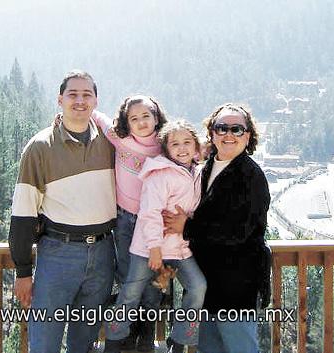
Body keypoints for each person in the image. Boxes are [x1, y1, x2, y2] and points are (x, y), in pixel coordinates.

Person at [8, 70, 117, 353]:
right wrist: (22, 270)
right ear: (60, 100)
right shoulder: (41, 147)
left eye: (86, 95)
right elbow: (23, 212)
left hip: (104, 252)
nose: (79, 101)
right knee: (45, 342)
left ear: (96, 101)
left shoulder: (111, 143)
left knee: (84, 343)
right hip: (58, 254)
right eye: (73, 94)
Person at [55, 94, 168, 351]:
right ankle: (125, 333)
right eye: (134, 118)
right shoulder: (120, 140)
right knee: (128, 274)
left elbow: (190, 152)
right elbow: (97, 115)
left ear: (157, 117)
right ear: (126, 121)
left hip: (154, 223)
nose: (141, 122)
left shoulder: (165, 145)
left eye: (146, 116)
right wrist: (66, 116)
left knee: (154, 276)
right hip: (125, 220)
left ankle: (146, 331)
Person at [163, 104, 271, 353]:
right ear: (211, 133)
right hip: (207, 285)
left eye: (237, 129)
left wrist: (187, 227)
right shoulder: (206, 167)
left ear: (248, 136)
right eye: (222, 128)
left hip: (237, 288)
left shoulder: (251, 176)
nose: (228, 134)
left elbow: (238, 231)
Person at [104, 120, 207, 353]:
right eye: (175, 144)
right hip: (148, 249)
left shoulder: (198, 173)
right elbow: (149, 213)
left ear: (196, 145)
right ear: (166, 149)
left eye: (187, 142)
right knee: (130, 294)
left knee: (198, 286)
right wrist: (154, 248)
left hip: (180, 248)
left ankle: (179, 341)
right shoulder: (160, 174)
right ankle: (113, 341)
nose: (182, 148)